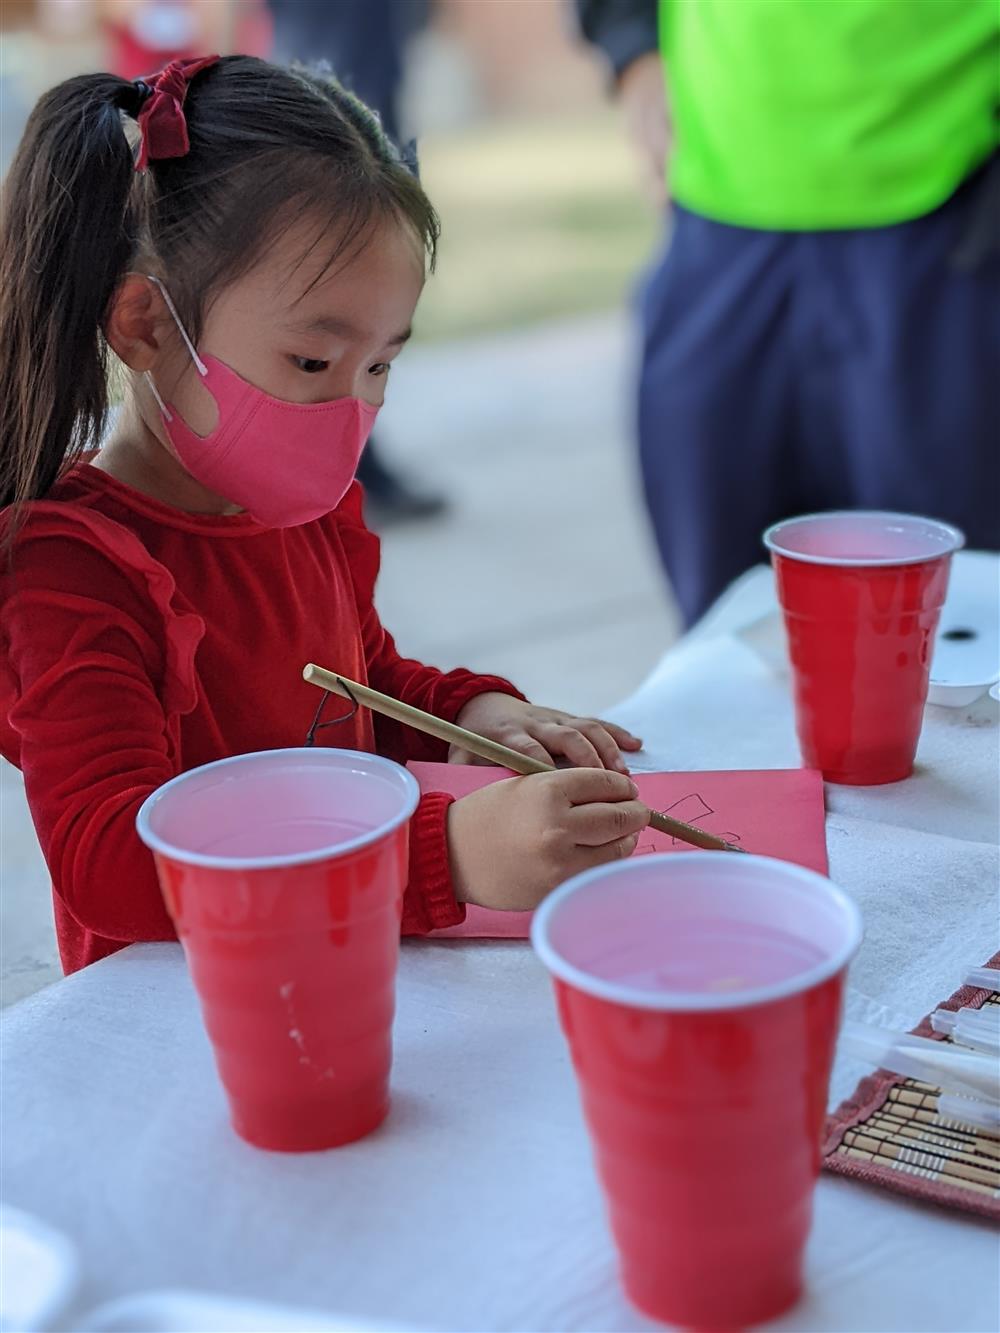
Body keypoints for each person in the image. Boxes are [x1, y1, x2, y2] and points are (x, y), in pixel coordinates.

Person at [0, 55, 648, 975]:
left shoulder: (295, 507)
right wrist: (447, 853)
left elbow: (357, 694)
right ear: (145, 325)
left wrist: (478, 715)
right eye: (313, 363)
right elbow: (110, 865)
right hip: (192, 1030)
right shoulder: (72, 570)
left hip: (342, 976)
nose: (353, 407)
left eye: (381, 366)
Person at [577, 0, 1000, 626]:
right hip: (719, 222)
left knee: (958, 629)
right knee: (729, 628)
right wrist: (633, 46)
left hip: (948, 211)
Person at [267, 0, 448, 523]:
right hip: (328, 111)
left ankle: (348, 470)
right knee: (336, 310)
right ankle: (340, 475)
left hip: (358, 94)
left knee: (360, 320)